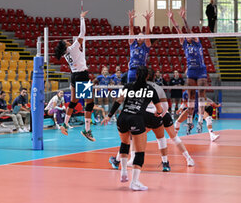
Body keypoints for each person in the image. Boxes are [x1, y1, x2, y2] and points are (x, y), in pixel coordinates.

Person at [109, 68, 194, 172]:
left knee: (131, 138)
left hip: (144, 115)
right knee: (170, 138)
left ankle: (120, 160)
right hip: (161, 115)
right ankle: (182, 160)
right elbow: (165, 107)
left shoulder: (135, 86)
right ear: (153, 77)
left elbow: (123, 101)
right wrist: (160, 115)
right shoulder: (158, 87)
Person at [102, 66, 164, 191]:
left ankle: (124, 171)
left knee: (124, 143)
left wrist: (109, 116)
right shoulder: (150, 90)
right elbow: (159, 109)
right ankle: (134, 182)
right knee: (140, 151)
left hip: (122, 118)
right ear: (148, 76)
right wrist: (158, 113)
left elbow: (118, 101)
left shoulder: (128, 86)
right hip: (136, 119)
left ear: (136, 75)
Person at [54, 10, 95, 141]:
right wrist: (82, 18)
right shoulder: (73, 48)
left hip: (74, 76)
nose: (68, 40)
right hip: (82, 75)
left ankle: (65, 124)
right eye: (66, 41)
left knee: (74, 100)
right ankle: (87, 130)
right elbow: (82, 33)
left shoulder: (67, 53)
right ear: (66, 45)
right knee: (89, 102)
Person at [167, 8, 208, 135]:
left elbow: (187, 30)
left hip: (201, 70)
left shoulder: (197, 41)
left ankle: (200, 122)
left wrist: (184, 19)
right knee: (190, 96)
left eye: (190, 34)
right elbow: (179, 30)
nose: (188, 35)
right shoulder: (184, 43)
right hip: (191, 71)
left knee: (201, 94)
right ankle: (189, 123)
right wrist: (172, 19)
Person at [127, 9, 153, 83]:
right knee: (130, 90)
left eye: (141, 36)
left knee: (141, 90)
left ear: (144, 38)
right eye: (138, 36)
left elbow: (147, 33)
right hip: (132, 70)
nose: (139, 37)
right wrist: (131, 19)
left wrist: (147, 21)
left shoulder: (146, 45)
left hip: (142, 70)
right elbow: (131, 28)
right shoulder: (132, 44)